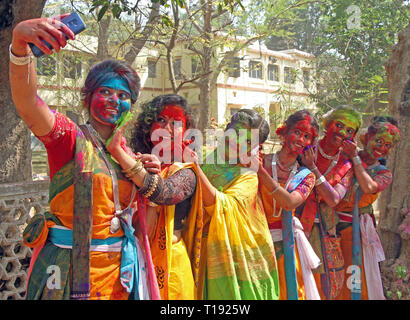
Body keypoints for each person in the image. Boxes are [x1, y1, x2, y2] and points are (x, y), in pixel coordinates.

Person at [10, 16, 160, 300]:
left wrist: (150, 187)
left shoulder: (129, 155)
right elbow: (28, 103)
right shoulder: (68, 138)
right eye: (105, 91)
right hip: (66, 272)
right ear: (87, 97)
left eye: (123, 94)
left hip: (121, 276)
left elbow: (144, 232)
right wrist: (20, 47)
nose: (115, 99)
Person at [109, 94, 204, 300]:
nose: (167, 129)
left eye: (176, 123)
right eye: (161, 120)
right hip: (129, 263)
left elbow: (164, 192)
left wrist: (148, 175)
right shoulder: (131, 162)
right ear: (148, 126)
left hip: (172, 269)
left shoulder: (187, 171)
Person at [186, 109, 280, 300]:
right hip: (191, 245)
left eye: (246, 140)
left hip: (231, 260)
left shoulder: (247, 175)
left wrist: (194, 168)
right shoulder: (202, 155)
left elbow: (222, 206)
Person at [298, 105, 362, 300]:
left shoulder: (346, 164)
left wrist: (313, 169)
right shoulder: (306, 147)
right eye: (339, 125)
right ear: (328, 125)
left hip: (327, 228)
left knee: (329, 284)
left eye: (349, 131)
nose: (342, 133)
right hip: (298, 224)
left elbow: (333, 199)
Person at [334, 116, 400, 300]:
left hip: (356, 231)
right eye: (378, 141)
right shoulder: (343, 157)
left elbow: (368, 187)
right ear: (366, 138)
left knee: (354, 275)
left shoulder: (383, 173)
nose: (382, 147)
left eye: (387, 145)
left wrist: (355, 157)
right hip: (328, 226)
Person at [257, 110, 320, 300]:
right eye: (298, 132)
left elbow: (290, 202)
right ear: (284, 132)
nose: (301, 139)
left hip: (287, 246)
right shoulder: (262, 160)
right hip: (256, 240)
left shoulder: (307, 176)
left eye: (307, 136)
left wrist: (261, 173)